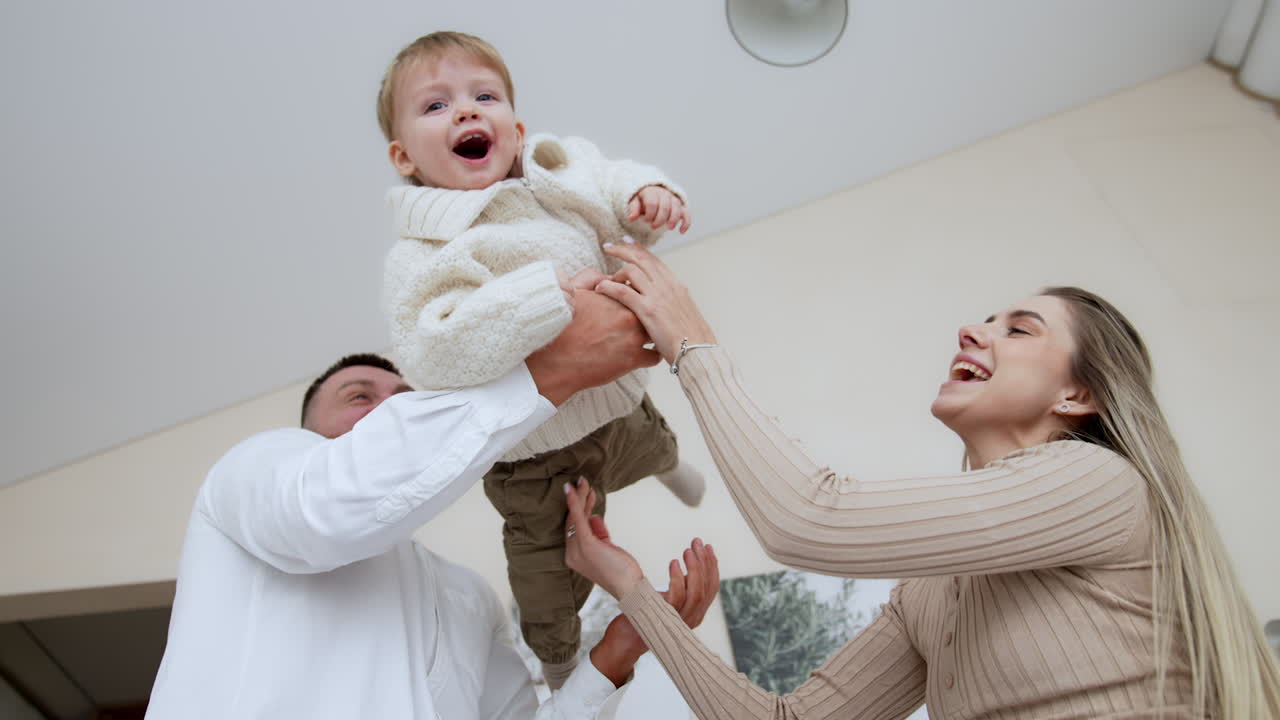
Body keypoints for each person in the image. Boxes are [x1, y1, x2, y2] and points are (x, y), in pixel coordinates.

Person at [563, 241, 1280, 719]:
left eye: (1020, 329)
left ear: (1077, 396)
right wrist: (631, 589)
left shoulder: (1103, 486)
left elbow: (812, 519)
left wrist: (693, 344)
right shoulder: (929, 595)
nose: (973, 331)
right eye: (985, 321)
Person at [145, 288, 719, 720]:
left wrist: (615, 655)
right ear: (307, 427)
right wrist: (550, 370)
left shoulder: (469, 596)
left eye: (404, 401)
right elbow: (329, 507)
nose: (389, 410)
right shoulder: (251, 471)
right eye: (358, 397)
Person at [374, 30, 704, 687]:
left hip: (617, 397)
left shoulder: (559, 170)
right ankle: (556, 660)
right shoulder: (424, 252)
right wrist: (540, 296)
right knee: (547, 569)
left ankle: (671, 470)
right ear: (403, 156)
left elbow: (614, 181)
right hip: (535, 454)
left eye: (483, 96)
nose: (467, 112)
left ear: (516, 128)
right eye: (436, 106)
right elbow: (430, 348)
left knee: (648, 438)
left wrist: (649, 194)